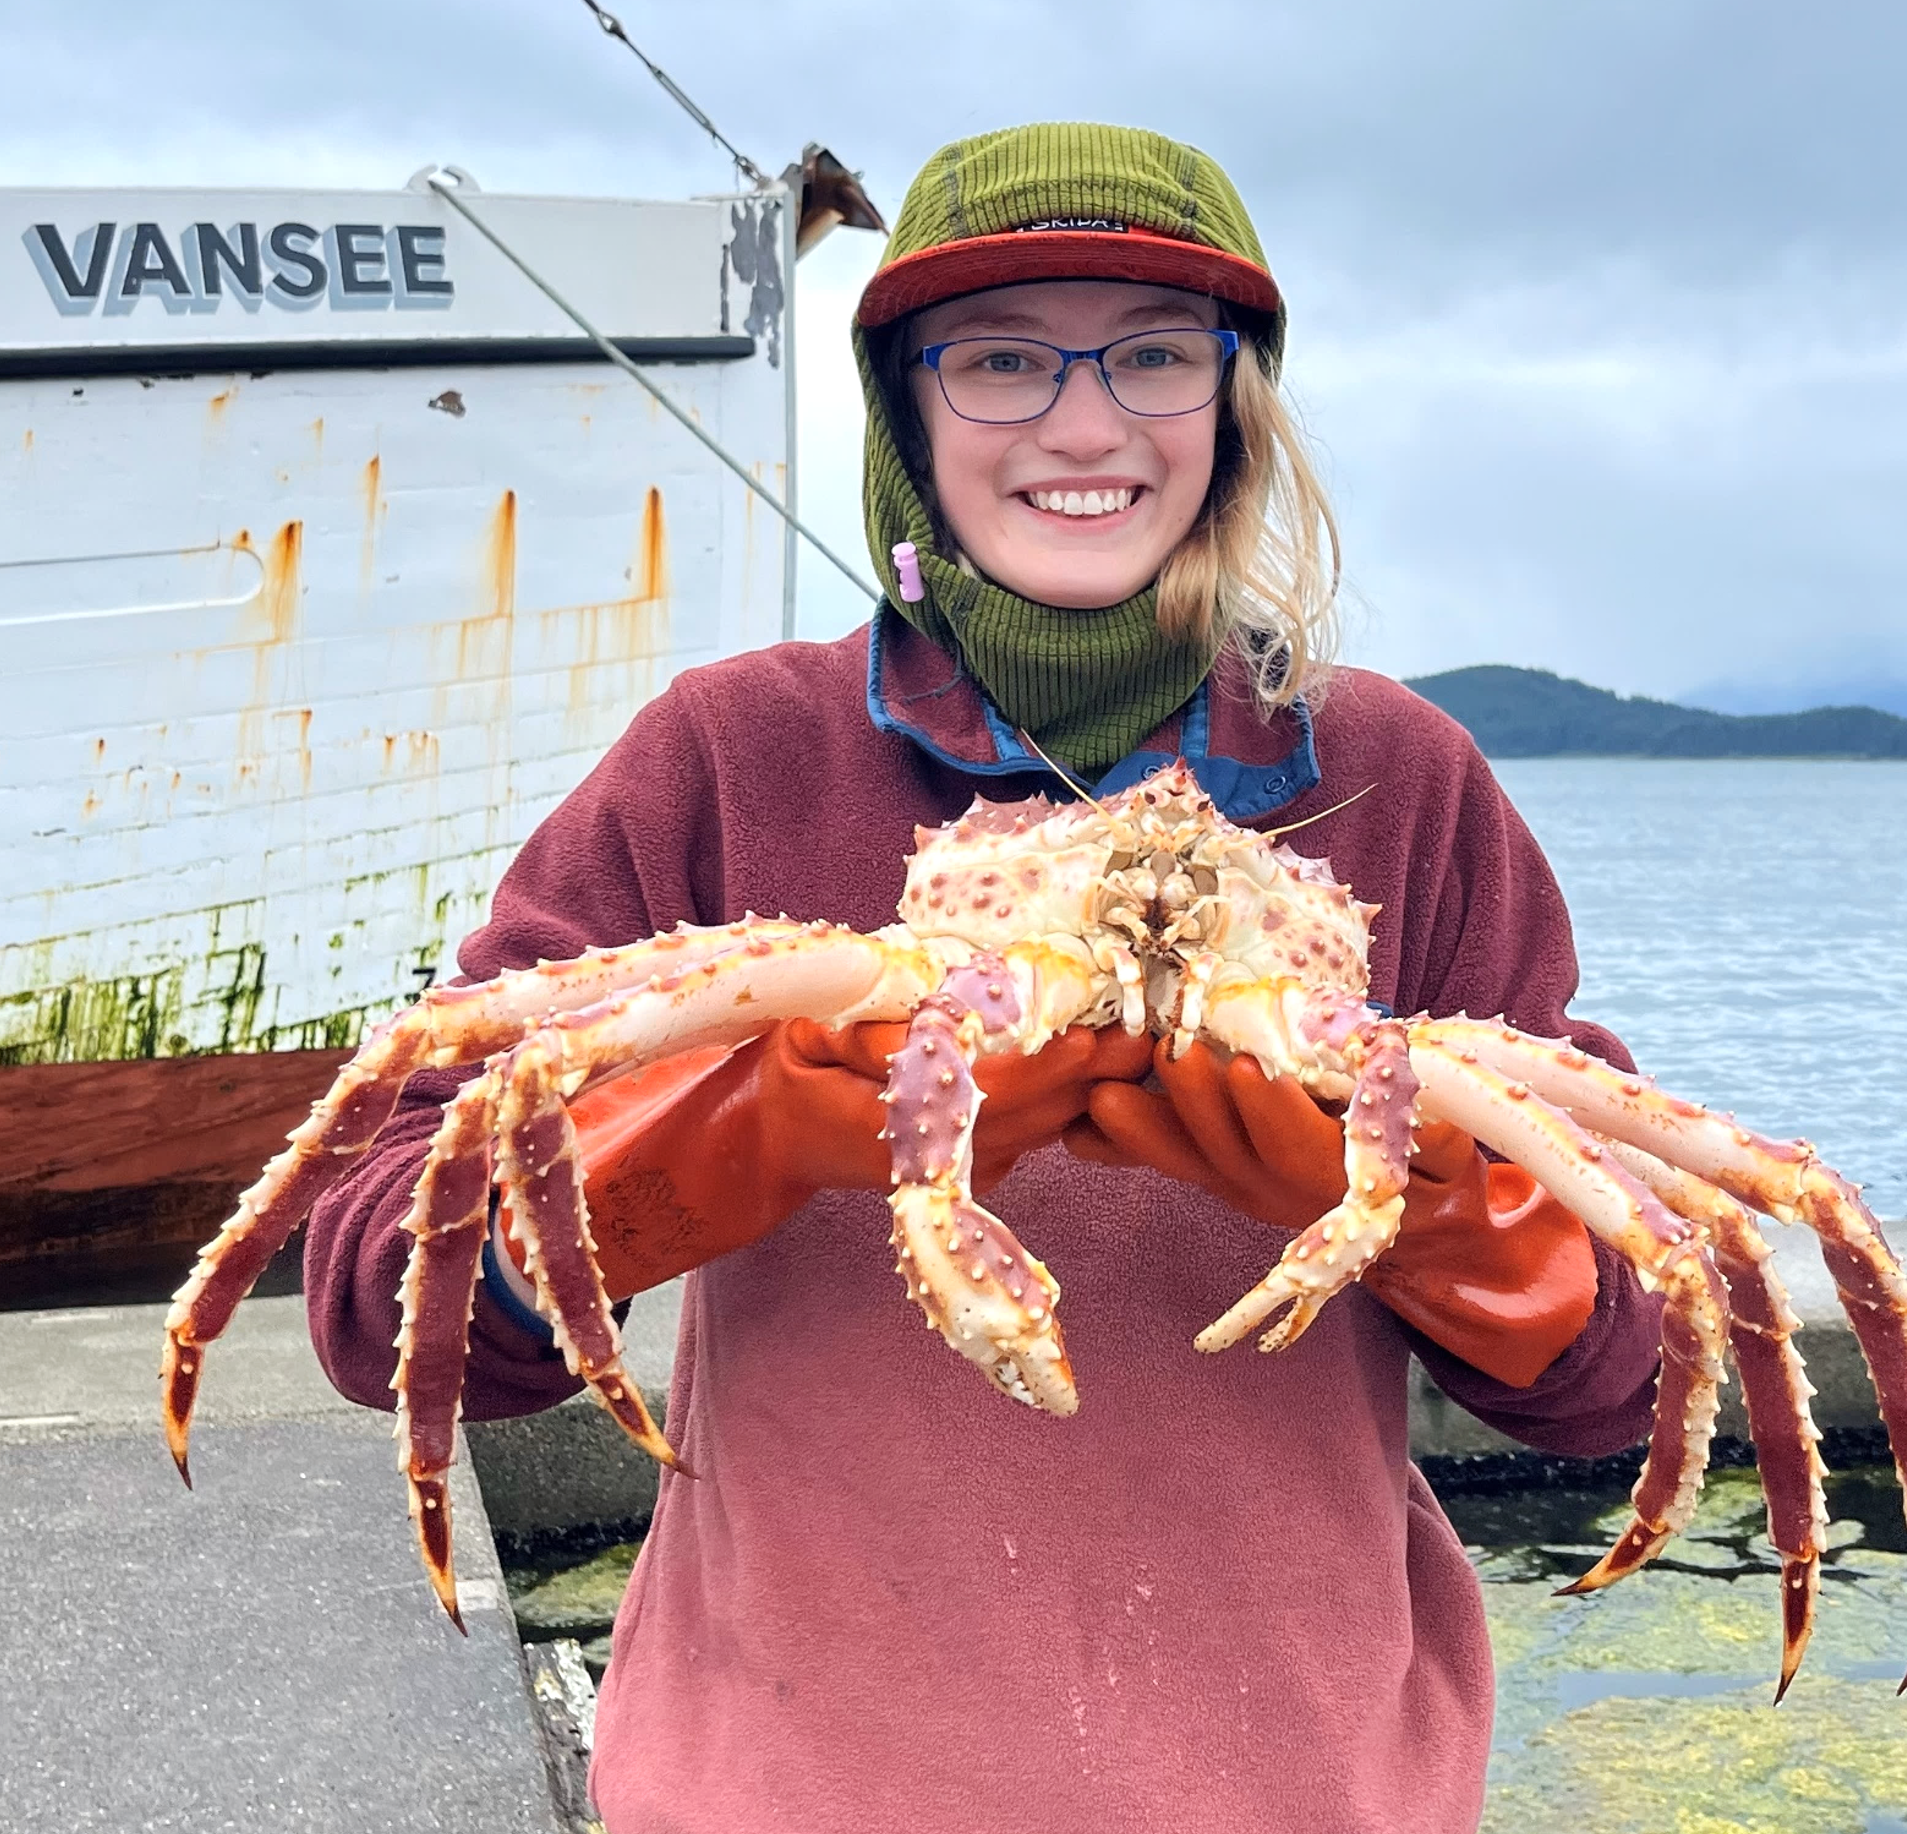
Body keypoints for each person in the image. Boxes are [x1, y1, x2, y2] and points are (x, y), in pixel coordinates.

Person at [305, 122, 1665, 1834]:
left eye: (1155, 355)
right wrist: (702, 1145)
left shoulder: (1394, 779)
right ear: (904, 408)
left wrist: (1452, 1212)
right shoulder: (728, 765)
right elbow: (372, 1304)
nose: (1084, 425)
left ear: (1235, 400)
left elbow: (1629, 1368)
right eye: (1002, 360)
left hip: (1306, 1790)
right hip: (780, 1788)